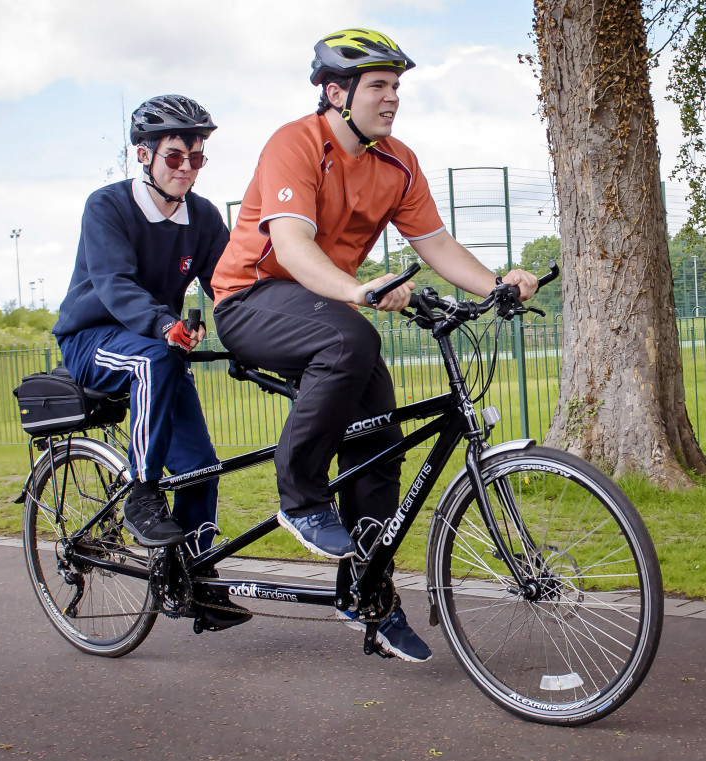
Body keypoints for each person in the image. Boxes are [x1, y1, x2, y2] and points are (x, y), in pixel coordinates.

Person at [210, 28, 539, 661]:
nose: (392, 99)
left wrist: (497, 282)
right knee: (351, 339)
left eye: (397, 87)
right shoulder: (295, 144)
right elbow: (296, 249)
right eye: (379, 87)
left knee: (381, 438)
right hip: (252, 298)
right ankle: (300, 496)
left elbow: (437, 247)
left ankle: (369, 593)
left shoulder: (398, 160)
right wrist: (358, 292)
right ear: (336, 93)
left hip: (325, 306)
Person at [52, 94, 250, 630]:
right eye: (175, 157)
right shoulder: (107, 206)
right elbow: (114, 285)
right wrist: (166, 324)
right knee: (153, 362)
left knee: (201, 468)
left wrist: (264, 333)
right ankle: (141, 495)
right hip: (94, 338)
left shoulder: (204, 217)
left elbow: (227, 286)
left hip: (159, 346)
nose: (187, 168)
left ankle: (194, 582)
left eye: (197, 158)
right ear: (144, 155)